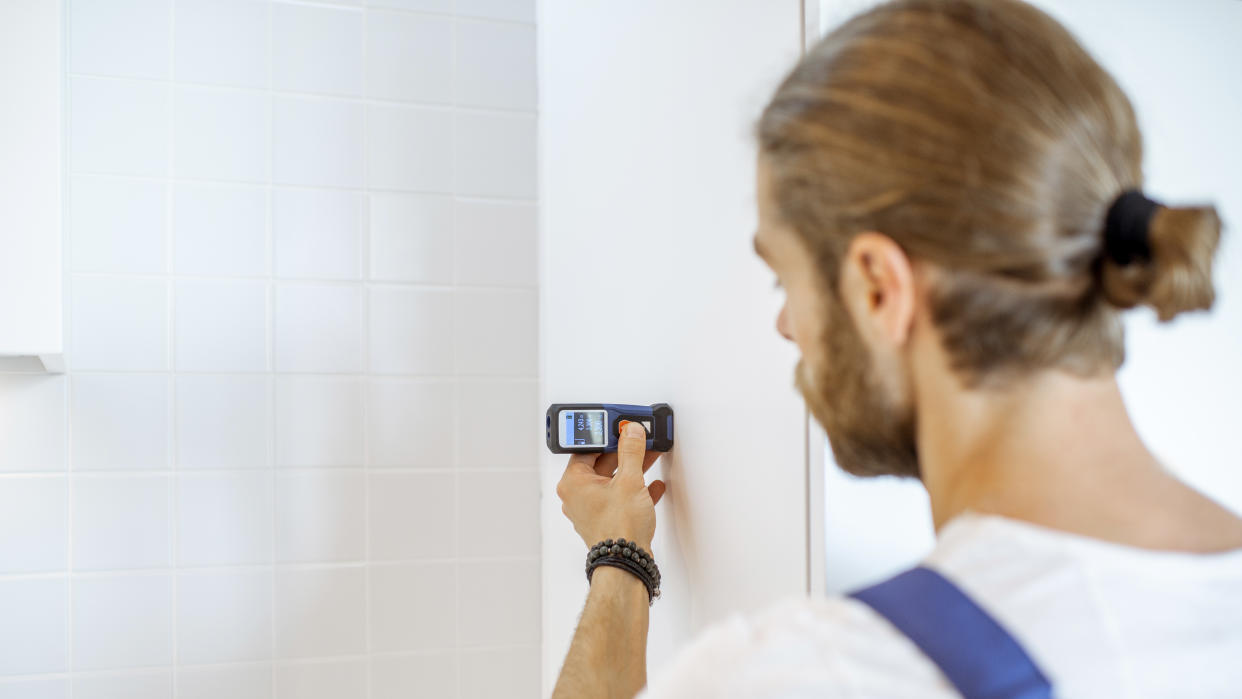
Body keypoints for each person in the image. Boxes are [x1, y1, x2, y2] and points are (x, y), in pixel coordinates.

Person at [552, 0, 1242, 696]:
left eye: (783, 279)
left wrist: (619, 558)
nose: (786, 326)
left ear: (879, 287)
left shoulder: (819, 674)